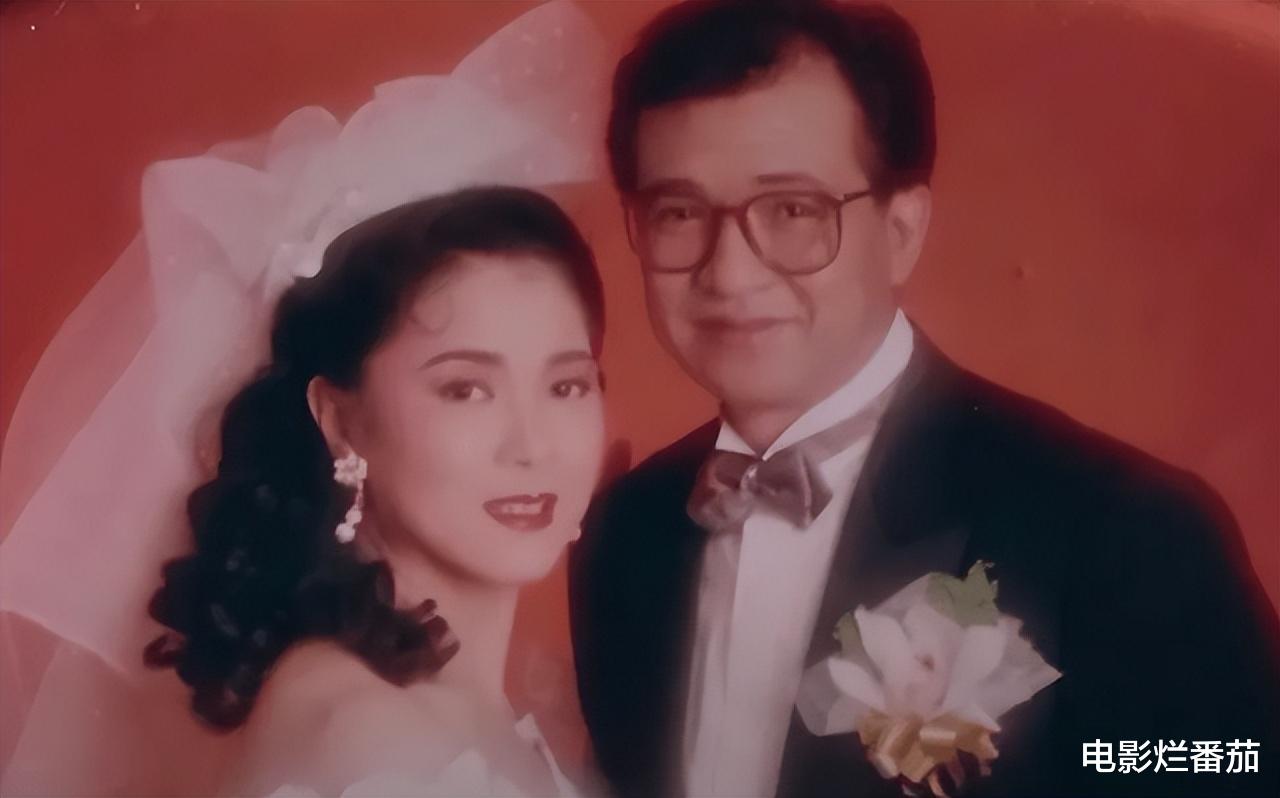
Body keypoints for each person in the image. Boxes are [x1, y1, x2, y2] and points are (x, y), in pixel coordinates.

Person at [569, 1, 1280, 797]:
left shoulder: (1126, 532)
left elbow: (1234, 761)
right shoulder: (622, 533)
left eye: (794, 210)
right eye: (678, 212)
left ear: (902, 229)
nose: (729, 273)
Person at [0, 4, 611, 795]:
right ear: (338, 418)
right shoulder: (367, 733)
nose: (533, 443)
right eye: (466, 389)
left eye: (566, 385)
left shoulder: (438, 703)